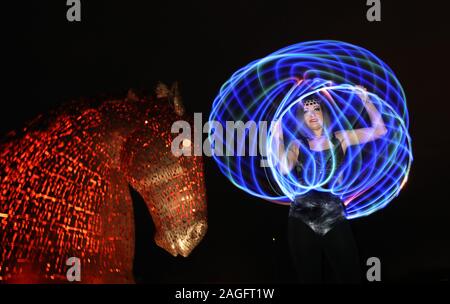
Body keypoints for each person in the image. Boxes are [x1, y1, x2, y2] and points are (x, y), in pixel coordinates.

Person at [272, 86, 387, 283]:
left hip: (333, 214)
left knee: (350, 276)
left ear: (323, 112)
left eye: (316, 109)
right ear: (302, 119)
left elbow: (380, 130)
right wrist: (278, 132)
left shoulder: (340, 138)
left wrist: (365, 99)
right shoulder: (297, 144)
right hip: (301, 216)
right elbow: (283, 168)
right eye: (306, 112)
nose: (312, 115)